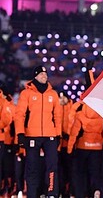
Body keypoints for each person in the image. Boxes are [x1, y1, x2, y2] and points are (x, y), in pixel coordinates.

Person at [14, 65, 62, 197]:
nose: (44, 76)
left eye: (45, 74)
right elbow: (19, 115)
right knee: (32, 167)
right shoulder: (26, 94)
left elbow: (58, 116)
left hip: (50, 135)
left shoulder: (53, 94)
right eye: (41, 74)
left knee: (52, 166)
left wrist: (58, 134)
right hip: (32, 135)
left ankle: (52, 193)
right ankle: (32, 194)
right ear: (35, 76)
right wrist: (20, 133)